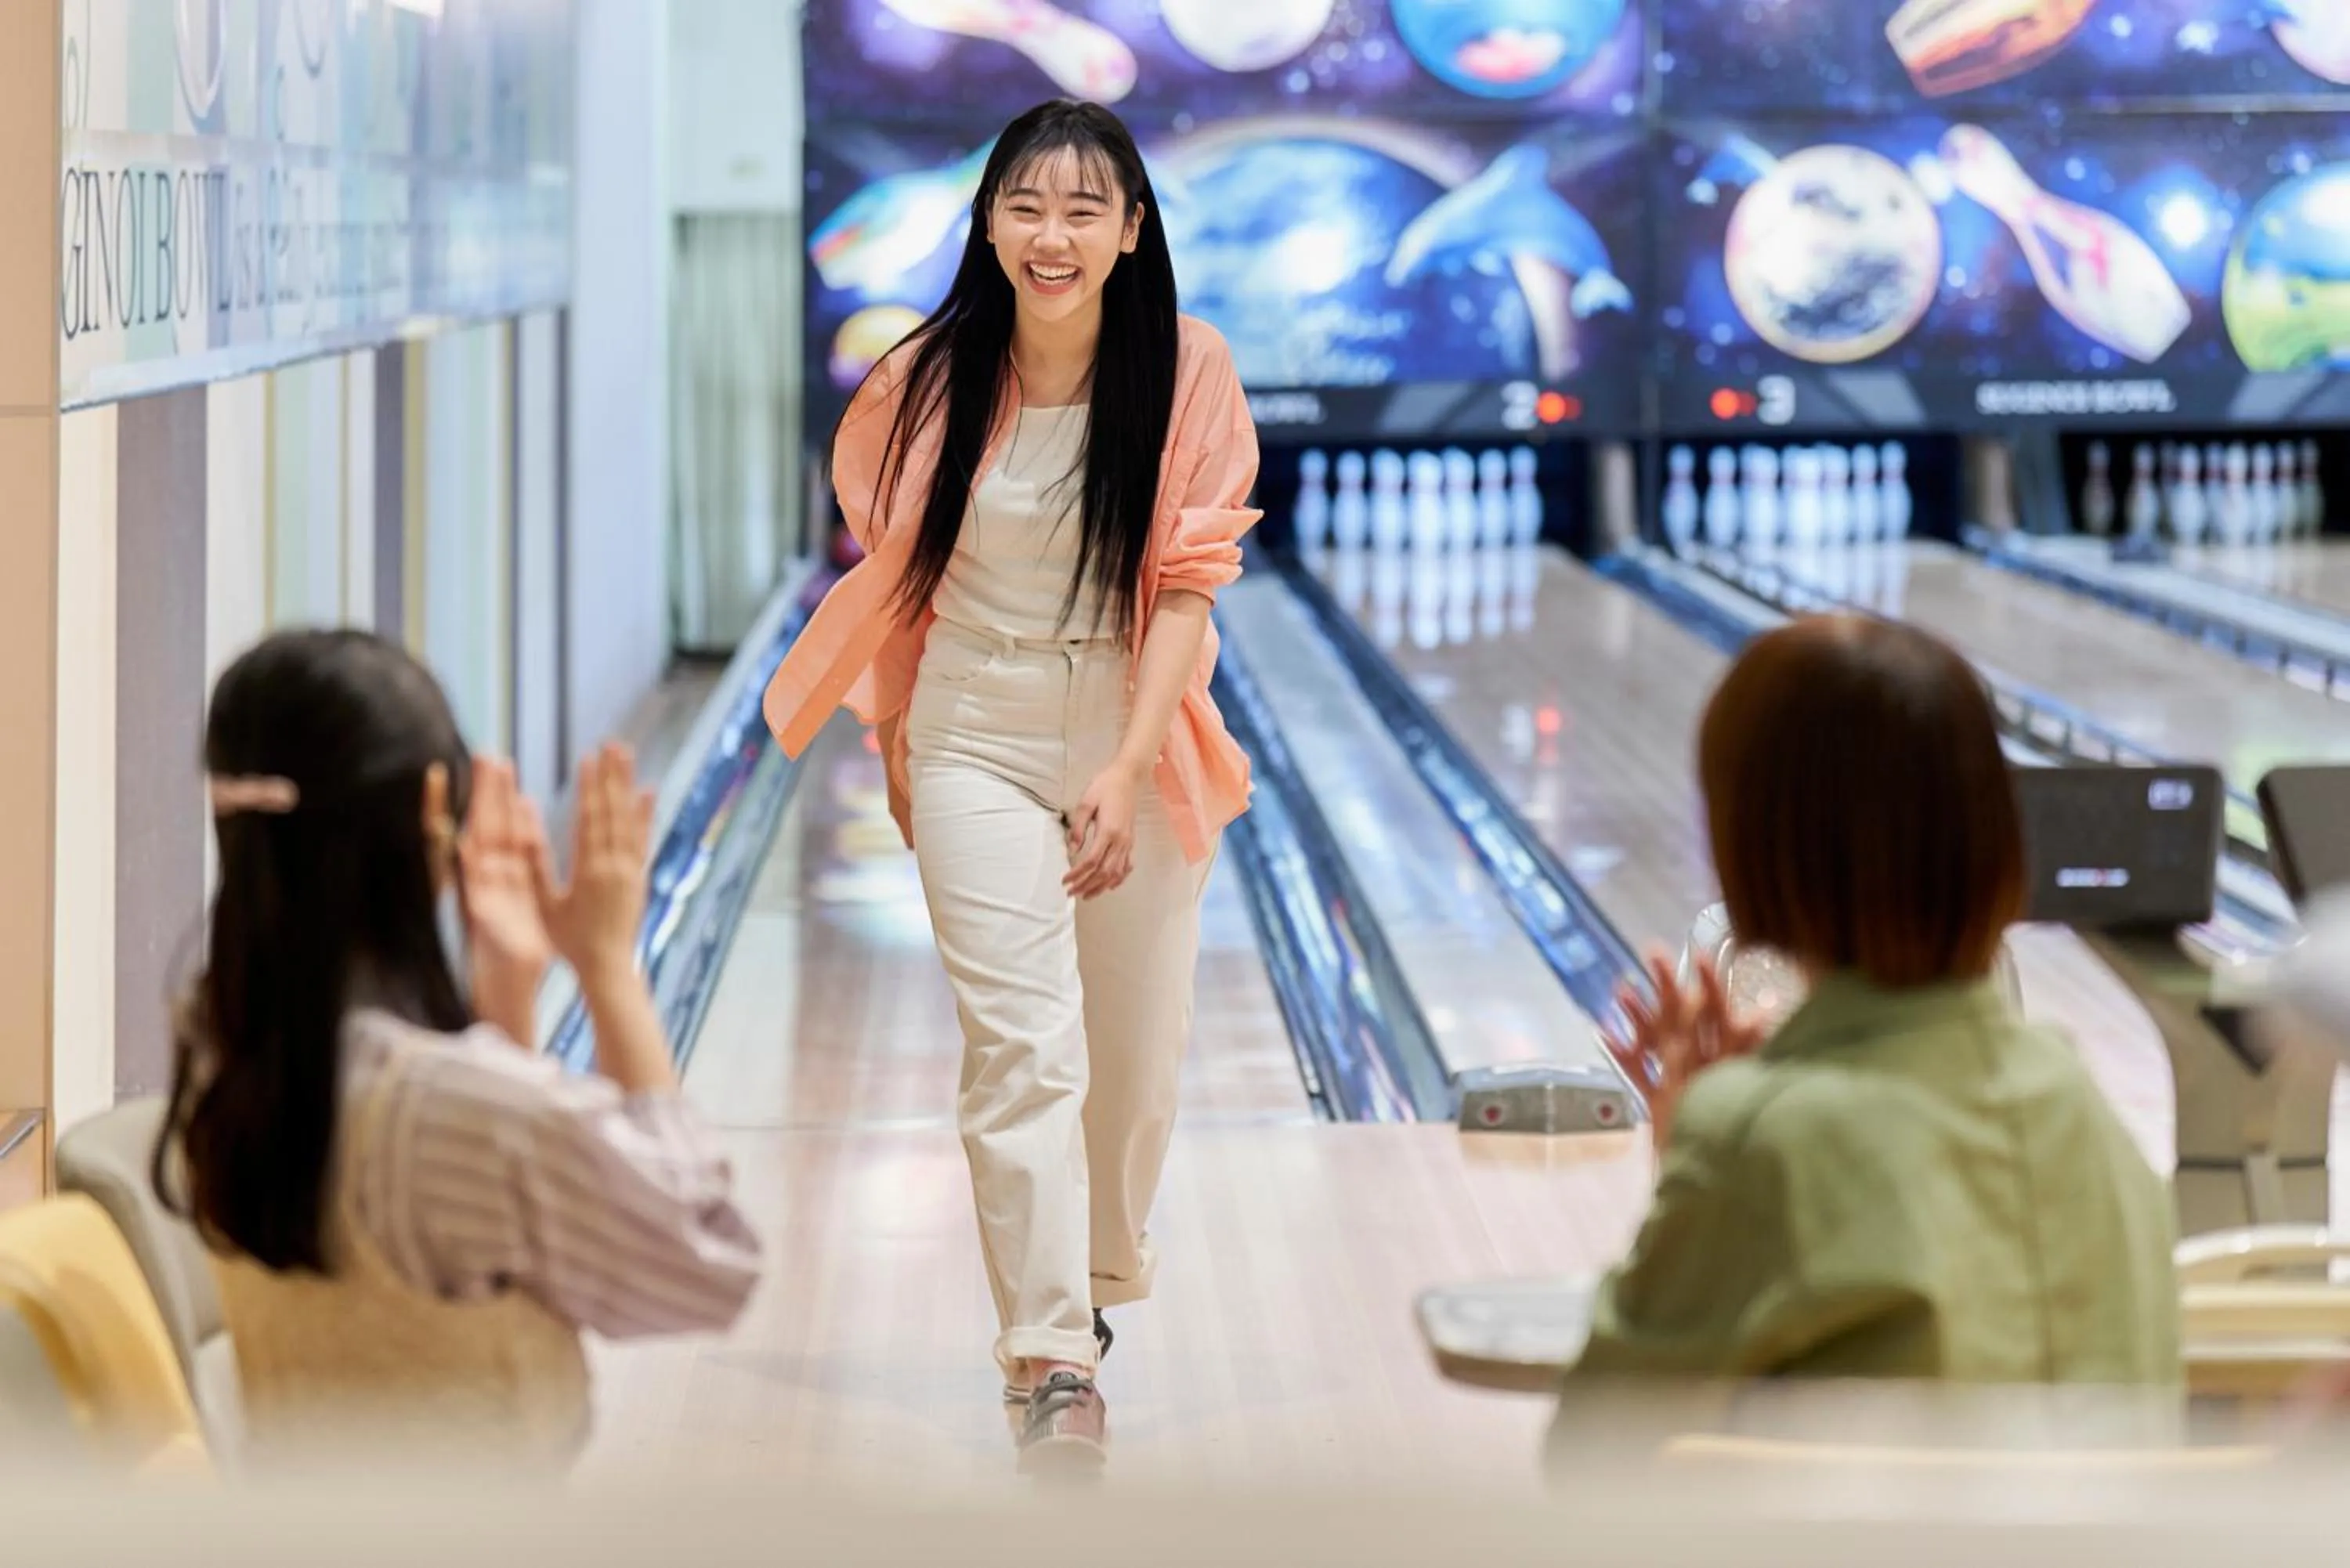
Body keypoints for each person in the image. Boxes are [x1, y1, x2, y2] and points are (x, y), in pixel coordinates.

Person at [761, 97, 1261, 1468]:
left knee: (1133, 1064)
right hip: (973, 721)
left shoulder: (1189, 369)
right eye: (1027, 205)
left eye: (1084, 209)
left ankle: (1085, 1284)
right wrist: (901, 743)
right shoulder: (921, 382)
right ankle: (1049, 1357)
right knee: (1022, 1044)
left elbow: (1188, 592)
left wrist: (1125, 759)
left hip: (1131, 718)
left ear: (1132, 230)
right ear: (987, 221)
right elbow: (896, 585)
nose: (1054, 234)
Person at [1548, 615, 2181, 1455]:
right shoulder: (2087, 1115)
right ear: (1995, 835)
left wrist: (1693, 1152)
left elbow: (1595, 1457)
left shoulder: (1762, 1141)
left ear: (1752, 854)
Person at [155, 629, 763, 1476]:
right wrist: (607, 969)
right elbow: (707, 1256)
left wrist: (505, 993)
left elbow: (457, 1232)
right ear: (434, 804)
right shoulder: (442, 1107)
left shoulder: (219, 1052)